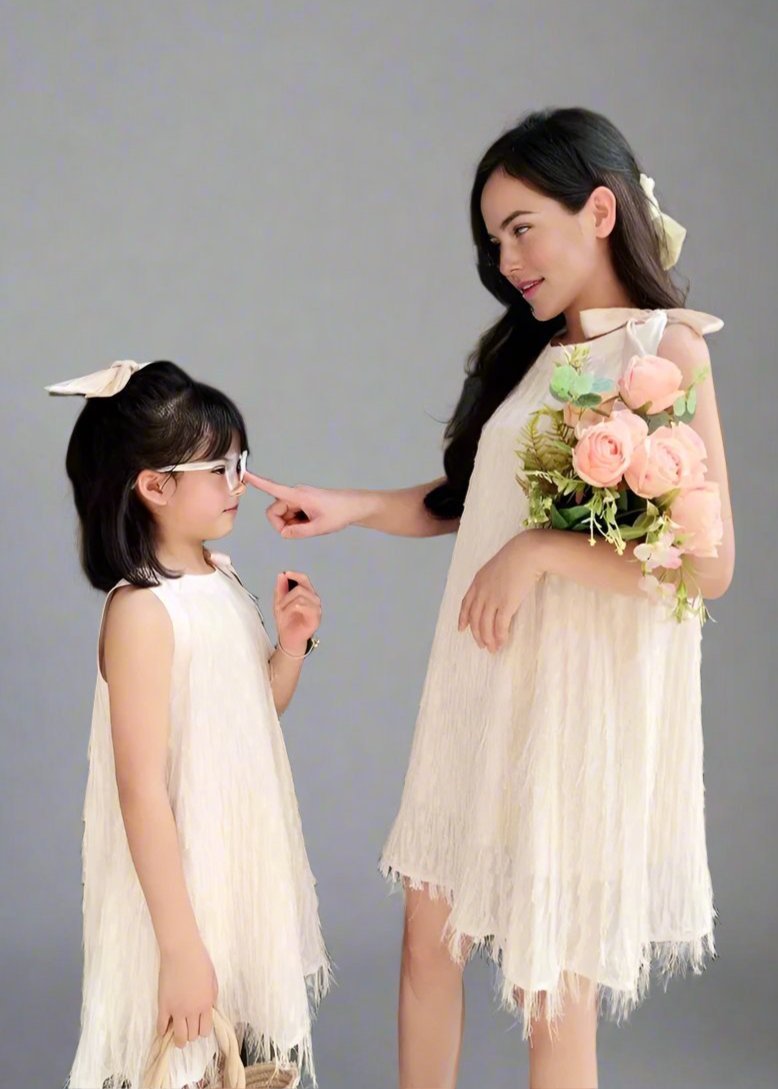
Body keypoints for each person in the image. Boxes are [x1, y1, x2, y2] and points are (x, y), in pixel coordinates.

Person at [247, 106, 735, 1089]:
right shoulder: (529, 354)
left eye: (522, 227)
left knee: (550, 990)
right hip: (483, 680)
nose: (506, 257)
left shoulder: (664, 352)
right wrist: (347, 506)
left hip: (574, 707)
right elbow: (474, 505)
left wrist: (542, 553)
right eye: (491, 238)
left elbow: (704, 564)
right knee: (427, 945)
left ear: (599, 211)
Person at [48, 359, 330, 1089]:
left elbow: (248, 721)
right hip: (179, 891)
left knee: (236, 1057)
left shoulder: (221, 579)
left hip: (237, 866)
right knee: (178, 1052)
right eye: (221, 466)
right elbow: (140, 787)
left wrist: (290, 647)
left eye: (240, 462)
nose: (239, 480)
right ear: (155, 484)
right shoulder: (143, 610)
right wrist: (179, 946)